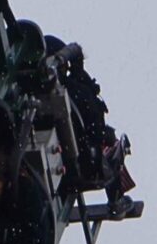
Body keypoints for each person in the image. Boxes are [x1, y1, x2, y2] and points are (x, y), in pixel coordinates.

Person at [44, 35, 135, 217]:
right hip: (84, 166)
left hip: (57, 169)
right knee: (115, 143)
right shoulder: (73, 91)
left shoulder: (31, 98)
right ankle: (116, 201)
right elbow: (96, 125)